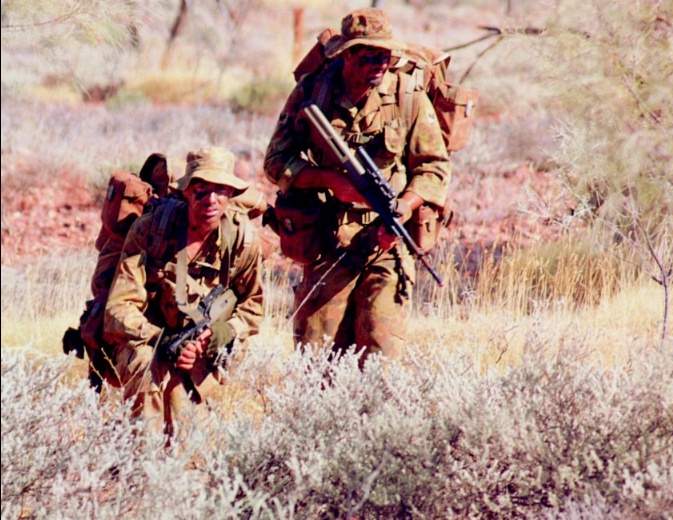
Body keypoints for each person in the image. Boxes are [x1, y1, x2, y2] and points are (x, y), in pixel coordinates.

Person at [264, 8, 451, 364]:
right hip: (328, 241)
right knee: (316, 360)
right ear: (346, 55)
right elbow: (275, 161)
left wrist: (405, 206)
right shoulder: (313, 92)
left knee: (381, 358)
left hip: (386, 243)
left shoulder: (407, 96)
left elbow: (434, 167)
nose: (379, 66)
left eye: (385, 57)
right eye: (367, 57)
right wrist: (330, 181)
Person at [103, 146, 264, 434]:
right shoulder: (151, 230)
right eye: (202, 190)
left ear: (231, 194)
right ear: (187, 191)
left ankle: (183, 457)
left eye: (220, 190)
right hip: (145, 338)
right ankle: (142, 454)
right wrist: (161, 339)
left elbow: (253, 306)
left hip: (201, 342)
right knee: (147, 371)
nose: (211, 200)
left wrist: (215, 336)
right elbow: (119, 306)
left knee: (185, 421)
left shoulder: (243, 240)